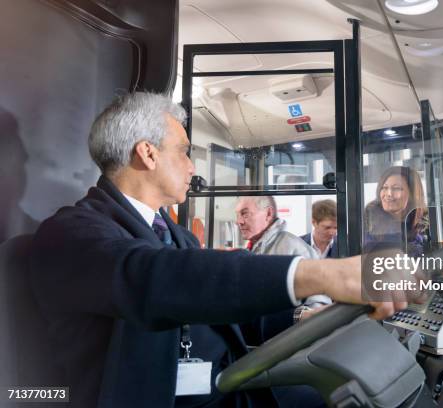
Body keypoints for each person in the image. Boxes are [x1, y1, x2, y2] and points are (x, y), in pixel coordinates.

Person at [28, 92, 405, 408]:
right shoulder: (71, 234)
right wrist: (321, 273)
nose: (192, 166)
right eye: (183, 151)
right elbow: (154, 277)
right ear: (147, 153)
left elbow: (228, 311)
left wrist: (298, 317)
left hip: (232, 382)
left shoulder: (173, 234)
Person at [364, 166, 428, 255]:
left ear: (412, 194)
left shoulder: (426, 226)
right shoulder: (367, 224)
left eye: (397, 188)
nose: (389, 194)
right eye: (384, 187)